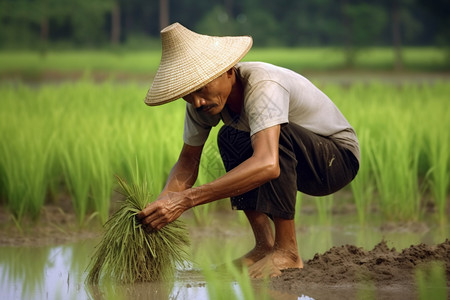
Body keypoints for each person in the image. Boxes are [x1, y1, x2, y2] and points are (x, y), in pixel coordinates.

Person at [137, 22, 360, 278]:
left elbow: (268, 163)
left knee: (273, 136)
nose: (196, 101)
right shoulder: (204, 105)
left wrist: (186, 200)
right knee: (230, 136)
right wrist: (163, 205)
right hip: (296, 159)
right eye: (187, 94)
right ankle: (264, 246)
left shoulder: (264, 85)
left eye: (201, 89)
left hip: (336, 161)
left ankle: (287, 251)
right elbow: (188, 162)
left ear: (229, 72)